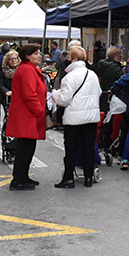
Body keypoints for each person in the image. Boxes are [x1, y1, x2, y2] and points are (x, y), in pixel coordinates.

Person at [51, 46, 101, 188]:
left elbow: (64, 100)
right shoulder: (92, 74)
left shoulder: (69, 77)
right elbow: (98, 92)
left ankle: (68, 178)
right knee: (88, 147)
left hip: (74, 118)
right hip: (91, 117)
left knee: (71, 148)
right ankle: (88, 178)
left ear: (73, 59)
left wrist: (54, 94)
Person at [7, 44, 47, 190]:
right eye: (36, 53)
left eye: (39, 53)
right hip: (27, 115)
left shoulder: (29, 69)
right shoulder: (26, 70)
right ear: (27, 56)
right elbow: (29, 94)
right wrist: (39, 111)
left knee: (28, 148)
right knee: (25, 148)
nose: (39, 55)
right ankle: (18, 180)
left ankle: (23, 176)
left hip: (29, 115)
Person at [95, 46, 125, 157]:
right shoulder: (117, 68)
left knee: (103, 120)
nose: (121, 58)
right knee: (110, 122)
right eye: (120, 56)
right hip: (113, 97)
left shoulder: (101, 65)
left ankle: (100, 142)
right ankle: (107, 144)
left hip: (102, 95)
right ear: (115, 56)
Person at [0, 50, 19, 128]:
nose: (14, 60)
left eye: (15, 58)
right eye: (11, 59)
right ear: (7, 61)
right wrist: (6, 91)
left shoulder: (21, 70)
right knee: (9, 116)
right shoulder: (3, 71)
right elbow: (0, 83)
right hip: (8, 97)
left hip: (19, 97)